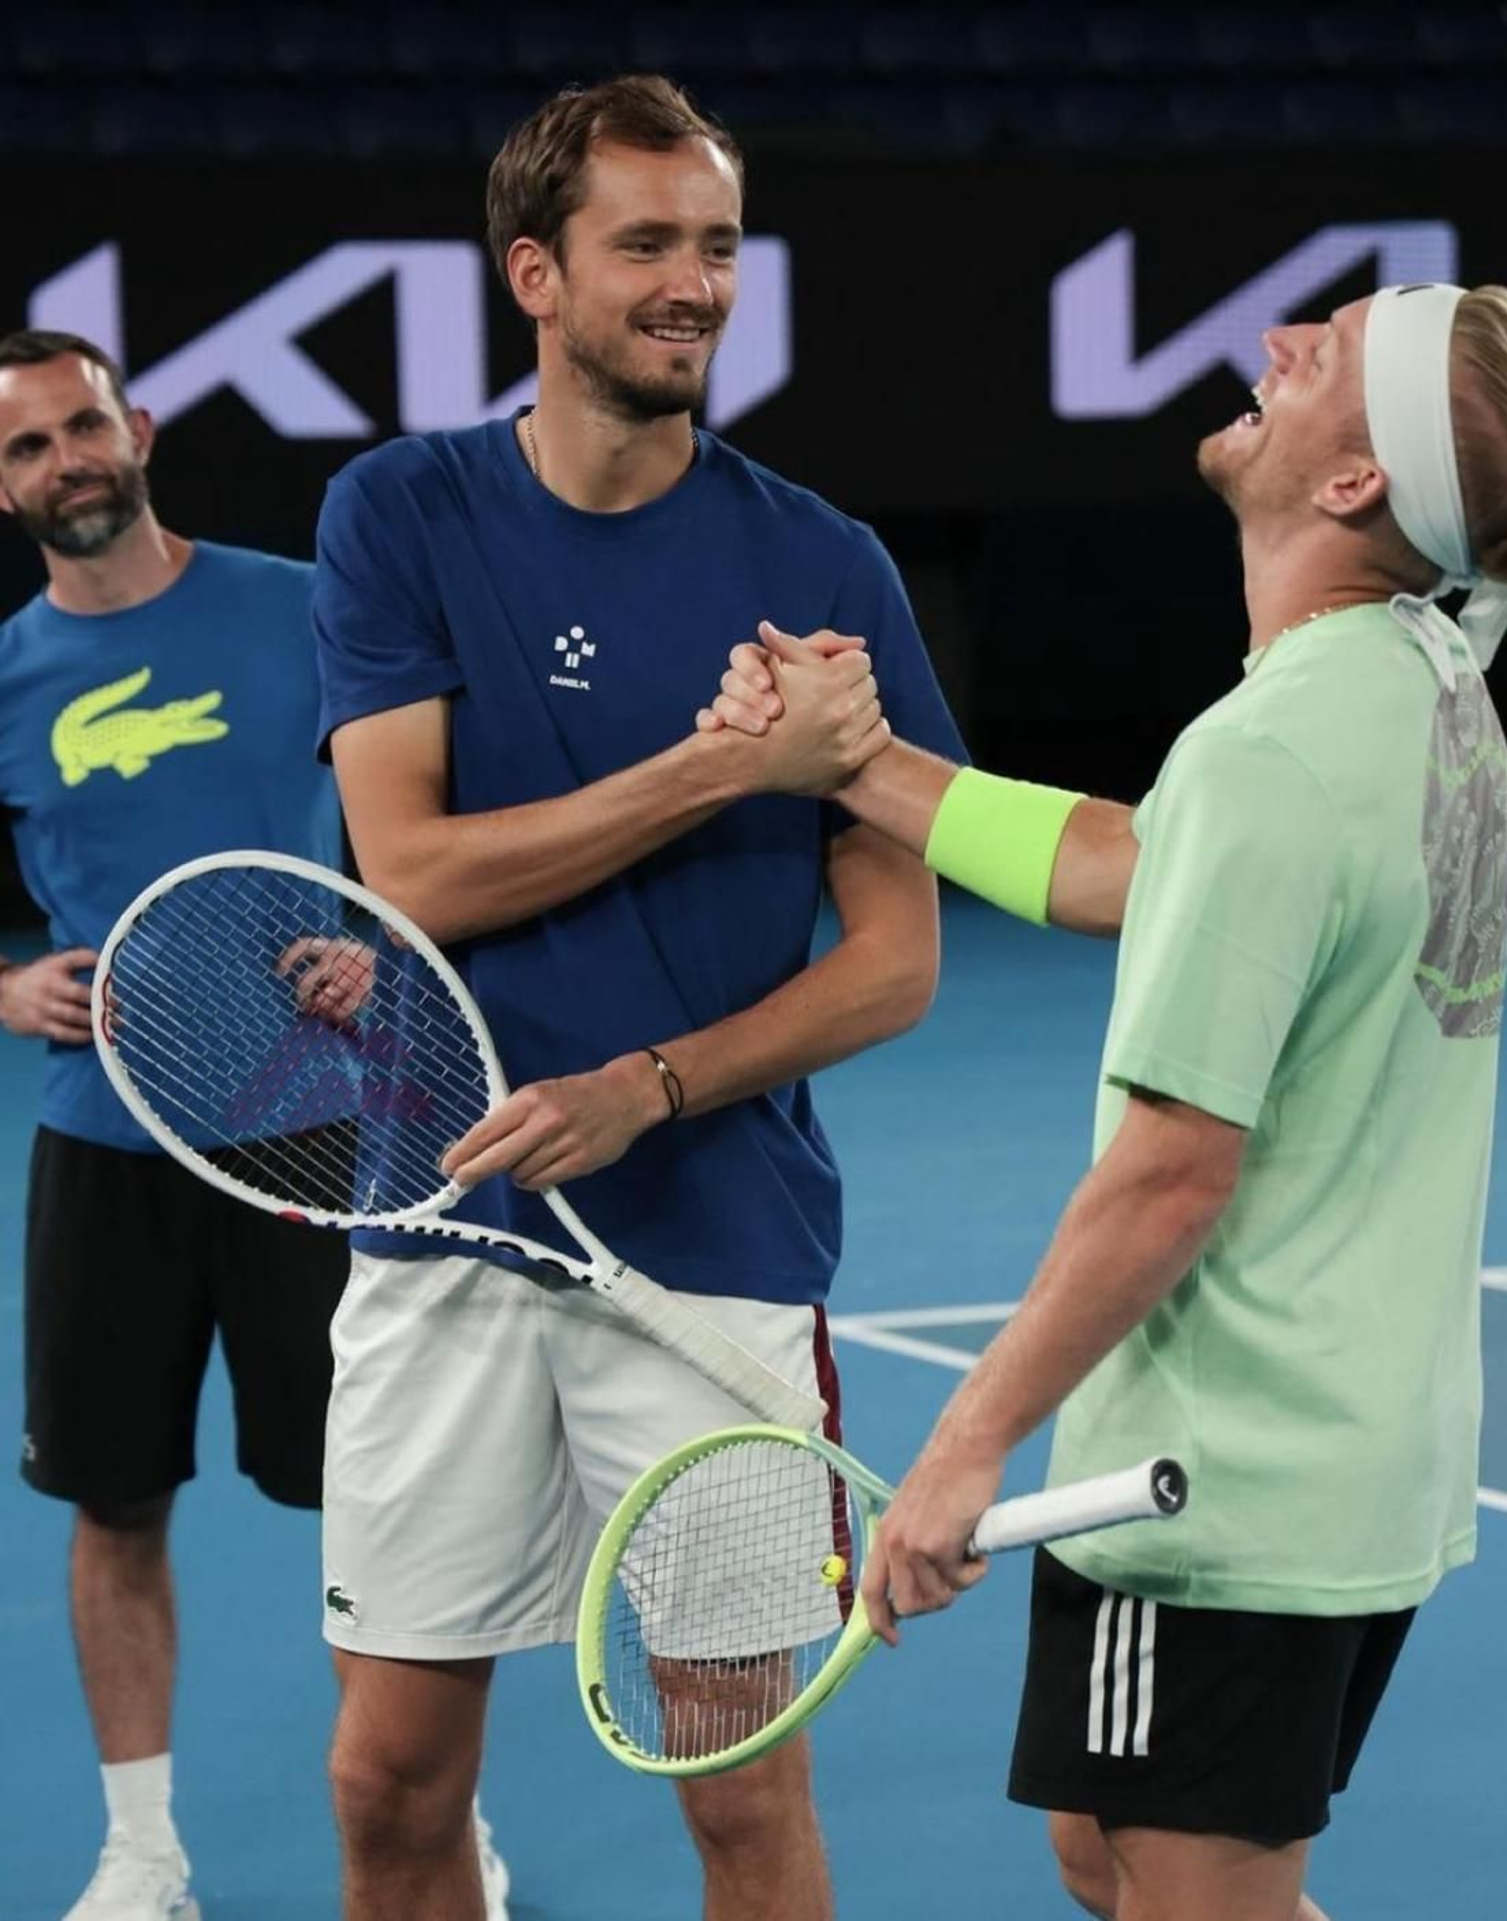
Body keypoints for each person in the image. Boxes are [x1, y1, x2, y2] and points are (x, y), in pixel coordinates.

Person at [702, 284, 1507, 1920]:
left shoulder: (1275, 752)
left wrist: (962, 1445)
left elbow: (1172, 1173)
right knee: (1104, 1845)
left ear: (1356, 483)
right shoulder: (1424, 675)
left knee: (1181, 1885)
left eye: (1325, 354)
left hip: (1222, 1471)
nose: (1277, 344)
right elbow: (1140, 860)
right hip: (1359, 1452)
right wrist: (859, 764)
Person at [310, 74, 961, 1921]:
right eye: (648, 243)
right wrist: (718, 768)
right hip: (440, 1228)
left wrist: (647, 1087)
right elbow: (411, 869)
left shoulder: (825, 565)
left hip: (714, 1266)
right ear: (537, 273)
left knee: (740, 1790)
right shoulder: (399, 512)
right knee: (389, 1781)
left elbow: (896, 962)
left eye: (720, 246)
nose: (696, 285)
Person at [0, 330, 357, 1921]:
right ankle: (143, 1854)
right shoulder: (7, 677)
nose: (64, 461)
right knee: (115, 1500)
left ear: (138, 428)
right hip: (106, 1142)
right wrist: (4, 987)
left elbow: (433, 799)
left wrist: (379, 931)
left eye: (82, 425)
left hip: (314, 1132)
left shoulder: (306, 607)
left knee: (373, 1507)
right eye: (26, 446)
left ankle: (426, 1828)